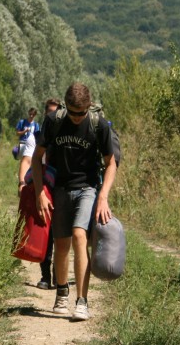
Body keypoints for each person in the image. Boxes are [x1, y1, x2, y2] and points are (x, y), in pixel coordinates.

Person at [30, 83, 117, 321]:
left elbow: (111, 163)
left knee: (80, 235)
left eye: (81, 113)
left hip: (87, 188)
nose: (77, 118)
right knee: (61, 244)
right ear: (65, 106)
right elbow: (37, 159)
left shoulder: (98, 125)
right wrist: (40, 193)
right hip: (59, 188)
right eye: (72, 112)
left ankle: (82, 300)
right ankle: (61, 291)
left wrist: (103, 196)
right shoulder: (53, 120)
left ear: (88, 107)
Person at [36, 98, 61, 289]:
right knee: (46, 233)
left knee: (58, 235)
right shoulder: (40, 134)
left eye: (55, 112)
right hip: (45, 186)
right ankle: (45, 276)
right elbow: (32, 159)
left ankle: (57, 277)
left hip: (61, 188)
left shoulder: (63, 133)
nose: (52, 116)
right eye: (49, 112)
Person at [15, 107, 40, 194]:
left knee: (30, 162)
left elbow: (37, 136)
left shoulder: (36, 125)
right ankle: (22, 180)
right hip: (23, 143)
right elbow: (17, 133)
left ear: (35, 115)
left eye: (33, 115)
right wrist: (24, 131)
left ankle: (27, 180)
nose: (31, 116)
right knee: (23, 161)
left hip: (31, 146)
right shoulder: (22, 122)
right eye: (30, 114)